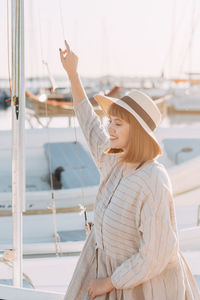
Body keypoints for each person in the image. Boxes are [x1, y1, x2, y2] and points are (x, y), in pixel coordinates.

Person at [60, 41, 200, 300]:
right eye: (110, 122)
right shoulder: (115, 161)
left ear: (135, 131)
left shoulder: (153, 181)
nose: (109, 129)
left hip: (142, 289)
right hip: (110, 281)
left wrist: (110, 282)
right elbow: (90, 125)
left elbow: (156, 254)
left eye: (117, 124)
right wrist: (73, 75)